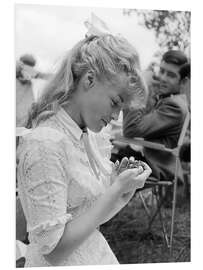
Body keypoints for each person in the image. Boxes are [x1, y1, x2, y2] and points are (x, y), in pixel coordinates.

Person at [16, 34, 152, 267]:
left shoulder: (83, 137)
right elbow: (54, 251)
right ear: (89, 80)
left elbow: (87, 222)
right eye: (115, 102)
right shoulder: (46, 144)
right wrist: (114, 191)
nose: (116, 116)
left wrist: (121, 192)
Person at [122, 50, 189, 182]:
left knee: (100, 169)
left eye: (170, 75)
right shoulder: (167, 99)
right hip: (142, 159)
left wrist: (141, 85)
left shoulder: (174, 107)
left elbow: (131, 129)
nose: (163, 78)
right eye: (162, 71)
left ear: (183, 81)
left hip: (152, 165)